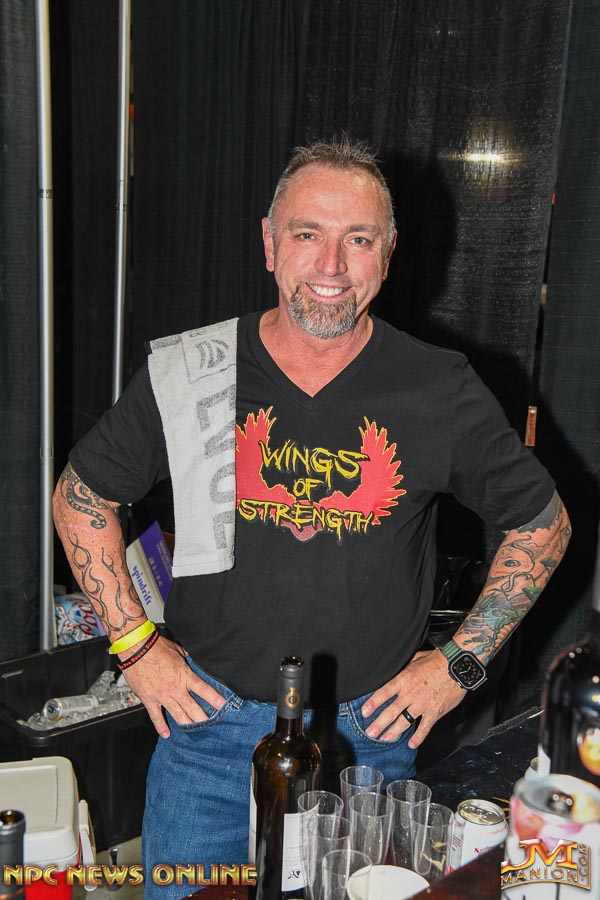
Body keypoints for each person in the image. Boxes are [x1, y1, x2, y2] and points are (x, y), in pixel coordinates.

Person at [53, 138, 571, 897]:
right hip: (207, 736)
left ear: (388, 254)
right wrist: (136, 646)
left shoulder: (438, 387)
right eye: (307, 233)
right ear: (269, 243)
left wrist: (459, 665)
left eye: (358, 239)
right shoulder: (196, 370)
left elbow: (542, 523)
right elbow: (81, 496)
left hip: (368, 744)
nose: (331, 265)